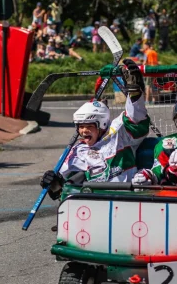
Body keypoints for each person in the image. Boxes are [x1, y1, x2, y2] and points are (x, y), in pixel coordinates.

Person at [40, 59, 151, 200]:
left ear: (102, 124)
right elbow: (59, 190)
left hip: (127, 199)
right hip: (97, 204)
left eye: (89, 126)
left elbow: (136, 116)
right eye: (80, 126)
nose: (84, 131)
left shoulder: (119, 133)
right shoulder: (77, 151)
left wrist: (134, 91)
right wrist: (52, 182)